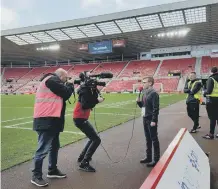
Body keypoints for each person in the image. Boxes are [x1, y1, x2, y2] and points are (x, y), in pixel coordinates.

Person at [31, 68, 74, 187]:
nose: (66, 80)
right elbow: (65, 93)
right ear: (60, 76)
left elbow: (62, 96)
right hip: (46, 120)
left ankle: (52, 170)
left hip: (52, 120)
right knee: (43, 149)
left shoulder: (52, 80)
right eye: (66, 78)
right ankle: (36, 175)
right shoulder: (51, 79)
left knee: (54, 146)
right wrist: (71, 85)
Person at [73, 72, 104, 172]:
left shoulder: (88, 90)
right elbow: (85, 105)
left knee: (93, 138)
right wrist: (97, 101)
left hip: (81, 118)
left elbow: (90, 102)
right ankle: (84, 163)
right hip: (80, 118)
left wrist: (96, 94)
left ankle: (82, 157)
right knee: (96, 139)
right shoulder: (84, 90)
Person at [136, 77, 160, 167]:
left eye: (144, 82)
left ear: (150, 83)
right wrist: (139, 102)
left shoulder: (154, 94)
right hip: (145, 118)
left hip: (151, 119)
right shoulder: (144, 93)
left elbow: (156, 108)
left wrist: (154, 120)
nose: (142, 84)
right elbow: (143, 106)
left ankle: (156, 159)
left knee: (154, 139)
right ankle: (148, 157)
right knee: (147, 138)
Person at [203, 67, 218, 139]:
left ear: (211, 71)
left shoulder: (211, 78)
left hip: (212, 100)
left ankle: (211, 134)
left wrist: (204, 93)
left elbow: (208, 91)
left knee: (212, 118)